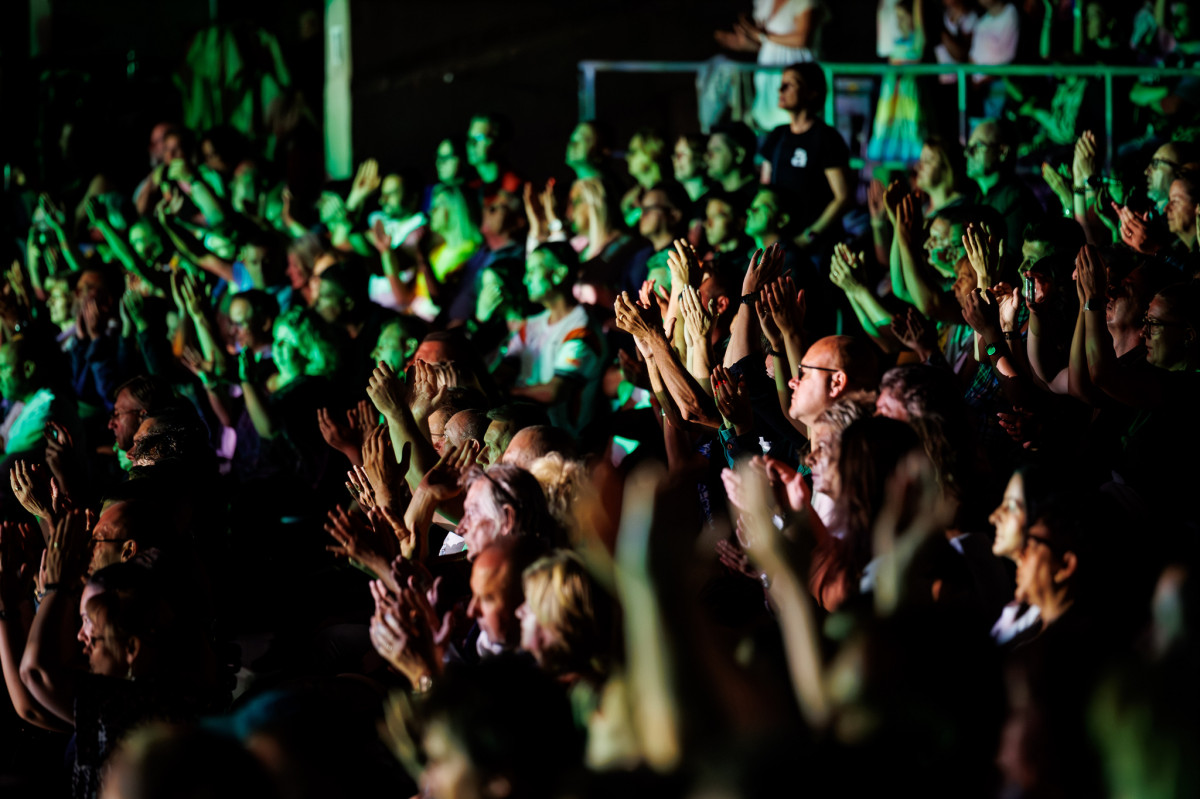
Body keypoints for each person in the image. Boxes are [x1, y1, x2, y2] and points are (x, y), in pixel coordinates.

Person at [506, 243, 607, 437]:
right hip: (525, 431)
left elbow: (554, 391)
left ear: (559, 273)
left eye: (533, 270)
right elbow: (503, 370)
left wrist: (507, 394)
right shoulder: (531, 325)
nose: (526, 280)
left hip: (559, 440)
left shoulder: (581, 328)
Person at [760, 63, 853, 251]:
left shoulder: (826, 137)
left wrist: (809, 236)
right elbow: (765, 185)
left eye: (791, 84)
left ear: (812, 92)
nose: (781, 89)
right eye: (781, 83)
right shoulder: (777, 135)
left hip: (817, 247)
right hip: (782, 242)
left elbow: (843, 197)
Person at [715, 0, 824, 131]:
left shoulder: (803, 2)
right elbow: (767, 43)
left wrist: (763, 36)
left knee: (792, 120)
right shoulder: (764, 2)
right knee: (769, 122)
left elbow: (802, 39)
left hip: (794, 72)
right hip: (767, 79)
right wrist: (744, 44)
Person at [965, 119, 1043, 256]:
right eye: (968, 147)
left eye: (977, 146)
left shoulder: (1017, 200)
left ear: (1002, 152)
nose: (968, 153)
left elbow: (1012, 259)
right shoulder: (977, 197)